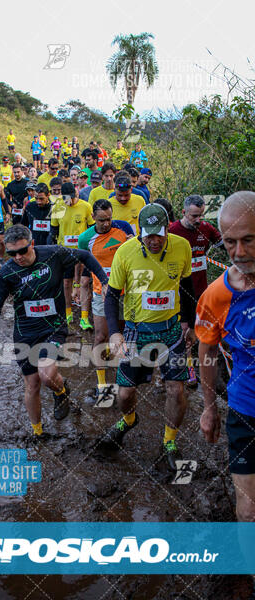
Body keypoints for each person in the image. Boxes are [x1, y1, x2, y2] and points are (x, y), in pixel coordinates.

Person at [0, 224, 108, 440]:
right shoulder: (8, 272)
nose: (18, 257)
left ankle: (61, 391)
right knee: (32, 384)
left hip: (52, 328)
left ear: (32, 244)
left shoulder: (53, 254)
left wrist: (104, 281)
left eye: (23, 250)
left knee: (46, 375)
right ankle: (38, 432)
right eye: (12, 253)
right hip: (25, 333)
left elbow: (85, 255)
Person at [101, 204, 197, 470]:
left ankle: (169, 441)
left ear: (168, 229)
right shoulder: (125, 252)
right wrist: (115, 332)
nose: (154, 241)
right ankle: (129, 420)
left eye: (159, 234)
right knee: (124, 393)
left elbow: (187, 287)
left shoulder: (182, 247)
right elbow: (111, 296)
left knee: (176, 389)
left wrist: (191, 322)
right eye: (148, 235)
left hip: (171, 330)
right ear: (139, 233)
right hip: (135, 330)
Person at [195, 191, 255, 523]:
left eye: (248, 240)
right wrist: (207, 408)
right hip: (246, 410)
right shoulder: (216, 296)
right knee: (248, 510)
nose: (239, 252)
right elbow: (206, 351)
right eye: (230, 242)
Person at [78, 199, 134, 403]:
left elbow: (136, 253)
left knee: (120, 336)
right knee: (101, 336)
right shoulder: (85, 238)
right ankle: (102, 385)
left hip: (126, 293)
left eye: (109, 219)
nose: (106, 224)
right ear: (93, 217)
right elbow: (85, 265)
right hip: (101, 292)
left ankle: (122, 381)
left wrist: (132, 241)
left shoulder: (123, 228)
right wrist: (80, 286)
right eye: (101, 220)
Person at [170, 195, 223, 386]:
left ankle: (208, 371)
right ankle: (188, 368)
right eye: (193, 216)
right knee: (185, 330)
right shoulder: (173, 231)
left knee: (206, 329)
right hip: (181, 291)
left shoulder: (206, 228)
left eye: (200, 215)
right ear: (184, 213)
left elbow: (223, 243)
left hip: (202, 290)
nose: (198, 220)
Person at [49, 182, 95, 326]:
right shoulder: (57, 207)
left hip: (82, 251)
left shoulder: (86, 206)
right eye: (67, 199)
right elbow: (54, 231)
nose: (71, 202)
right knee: (66, 282)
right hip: (65, 252)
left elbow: (92, 228)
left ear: (76, 195)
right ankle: (68, 313)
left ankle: (84, 317)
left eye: (73, 198)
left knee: (84, 282)